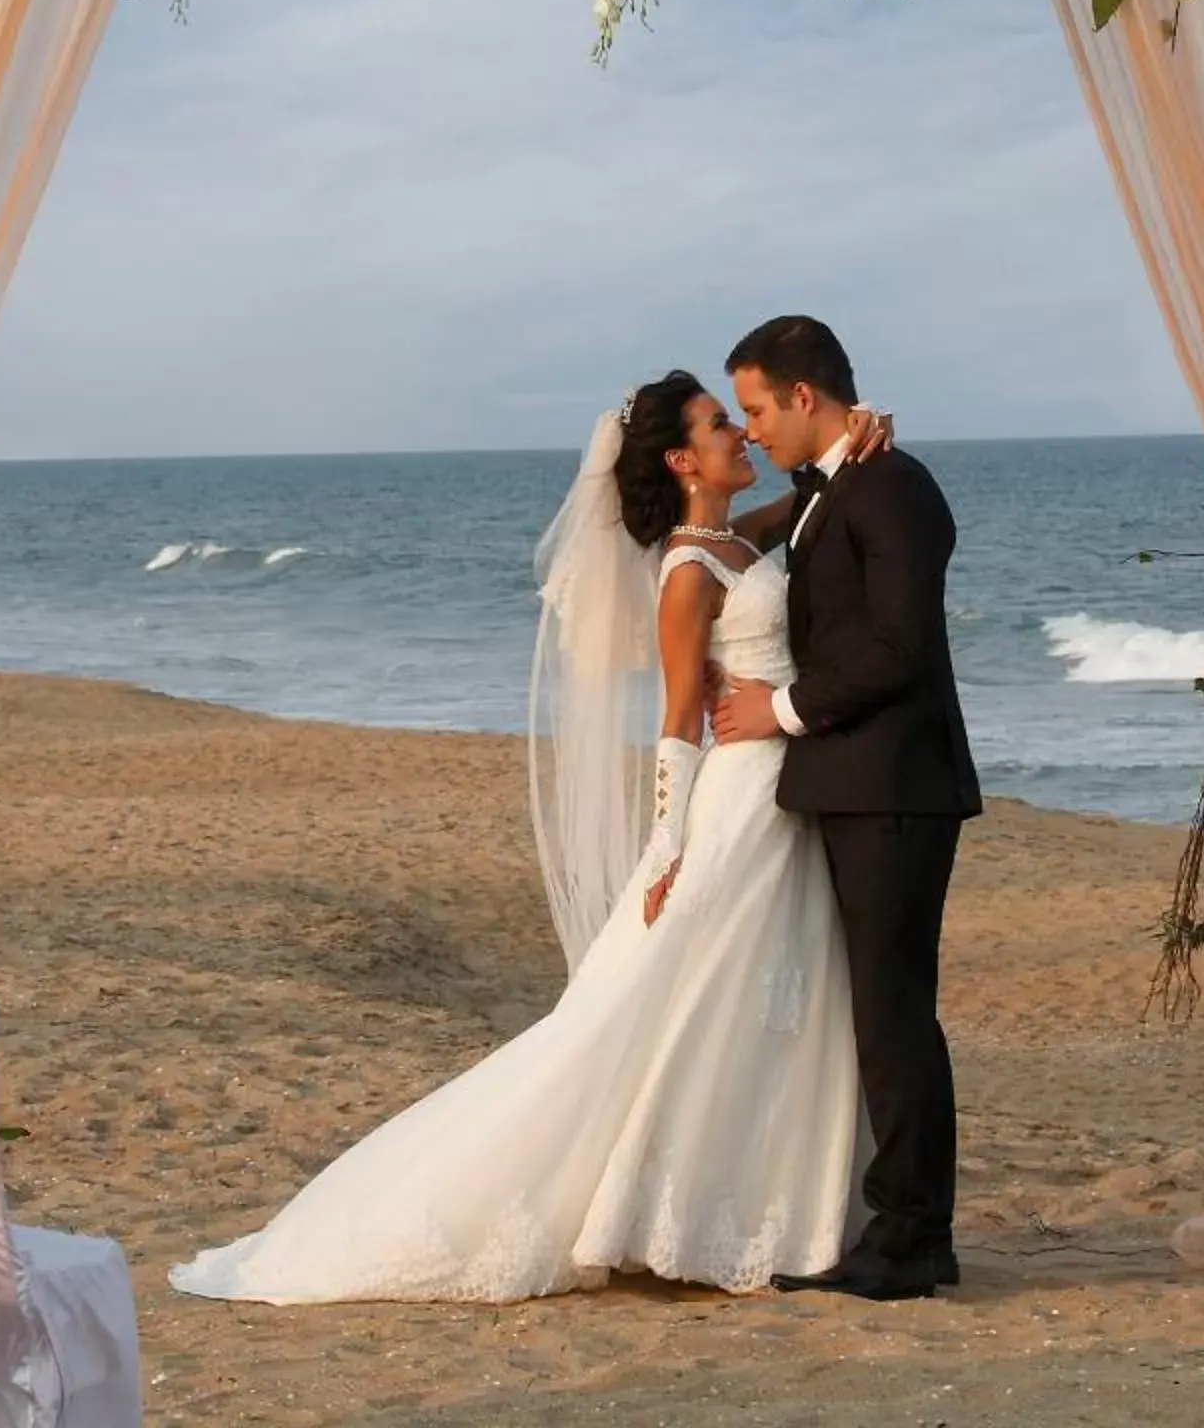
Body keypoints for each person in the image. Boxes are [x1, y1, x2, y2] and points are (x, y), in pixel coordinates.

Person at [168, 371, 885, 1302]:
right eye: (720, 426)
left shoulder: (734, 544)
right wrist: (667, 848)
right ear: (680, 459)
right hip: (736, 797)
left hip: (781, 791)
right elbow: (675, 721)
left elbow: (803, 507)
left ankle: (770, 1204)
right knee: (683, 995)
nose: (740, 437)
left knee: (764, 992)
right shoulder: (686, 571)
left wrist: (850, 444)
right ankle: (659, 1210)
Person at [712, 315, 979, 1302]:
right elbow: (758, 533)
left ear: (805, 397)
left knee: (895, 1010)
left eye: (755, 408)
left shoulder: (894, 486)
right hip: (855, 784)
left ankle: (913, 1237)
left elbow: (902, 645)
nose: (749, 429)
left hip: (896, 787)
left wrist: (776, 708)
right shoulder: (835, 487)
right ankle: (899, 1220)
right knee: (877, 1009)